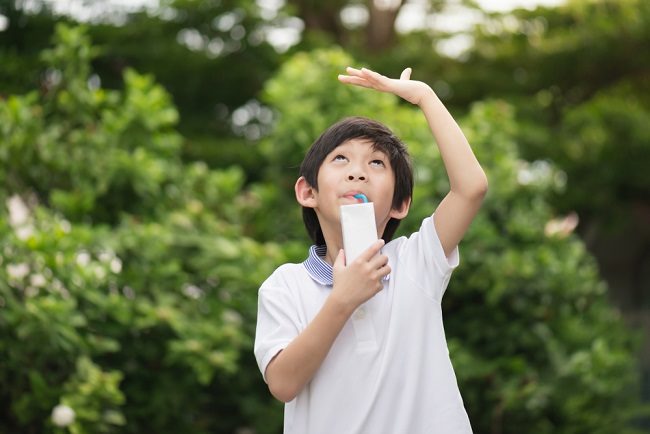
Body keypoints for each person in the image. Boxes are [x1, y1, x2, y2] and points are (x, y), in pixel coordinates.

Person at [254, 66, 488, 433]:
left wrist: (424, 96)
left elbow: (471, 187)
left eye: (376, 163)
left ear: (400, 204)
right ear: (307, 192)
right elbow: (283, 384)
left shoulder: (416, 262)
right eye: (340, 159)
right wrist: (342, 300)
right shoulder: (285, 286)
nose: (357, 173)